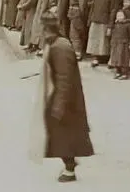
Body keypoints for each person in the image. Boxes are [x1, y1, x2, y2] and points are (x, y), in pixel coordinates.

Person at [29, 13, 94, 183]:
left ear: (45, 28)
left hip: (66, 101)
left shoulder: (60, 47)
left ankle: (70, 169)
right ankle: (70, 163)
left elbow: (64, 79)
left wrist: (58, 105)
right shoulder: (56, 44)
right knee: (63, 135)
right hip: (63, 98)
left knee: (63, 136)